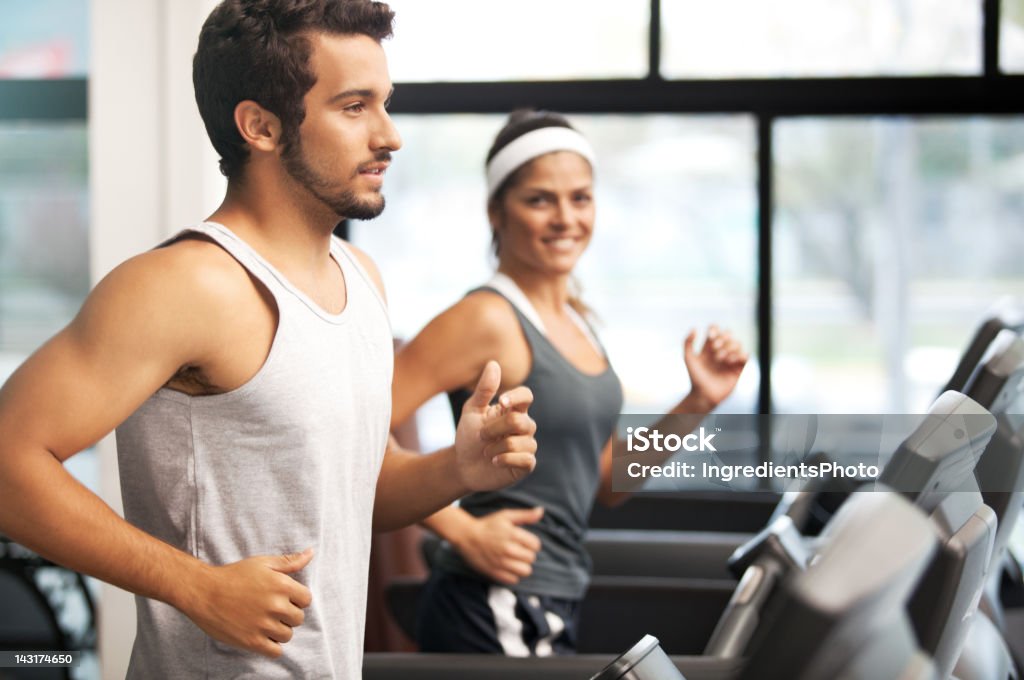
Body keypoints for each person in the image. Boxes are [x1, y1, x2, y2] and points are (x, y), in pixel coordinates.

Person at [0, 2, 538, 678]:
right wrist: (194, 586)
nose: (390, 134)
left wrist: (455, 470)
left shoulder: (361, 276)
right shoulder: (185, 284)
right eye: (354, 107)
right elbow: (8, 462)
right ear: (259, 125)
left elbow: (353, 487)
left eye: (384, 103)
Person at [391, 109, 749, 656]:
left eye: (580, 198)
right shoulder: (485, 318)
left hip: (552, 598)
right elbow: (353, 427)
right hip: (489, 601)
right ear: (496, 212)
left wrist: (697, 401)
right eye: (540, 199)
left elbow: (604, 480)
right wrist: (463, 531)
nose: (565, 217)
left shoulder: (578, 320)